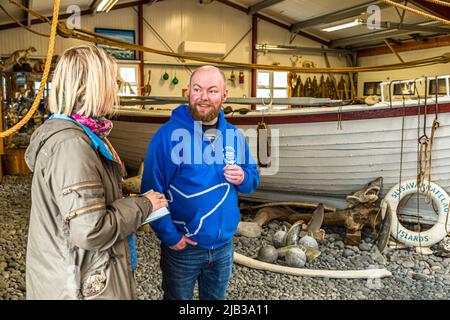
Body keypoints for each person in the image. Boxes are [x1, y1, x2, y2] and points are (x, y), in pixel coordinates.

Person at [24, 44, 168, 300]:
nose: (118, 88)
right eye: (114, 81)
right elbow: (90, 231)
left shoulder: (75, 135)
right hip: (79, 284)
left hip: (74, 273)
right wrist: (143, 205)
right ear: (92, 86)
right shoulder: (73, 146)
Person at [141, 65, 260, 300]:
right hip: (184, 250)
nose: (203, 97)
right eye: (197, 89)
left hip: (223, 248)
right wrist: (171, 237)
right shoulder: (167, 137)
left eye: (212, 91)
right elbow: (150, 193)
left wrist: (244, 177)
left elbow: (252, 180)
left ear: (225, 95)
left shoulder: (235, 136)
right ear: (188, 91)